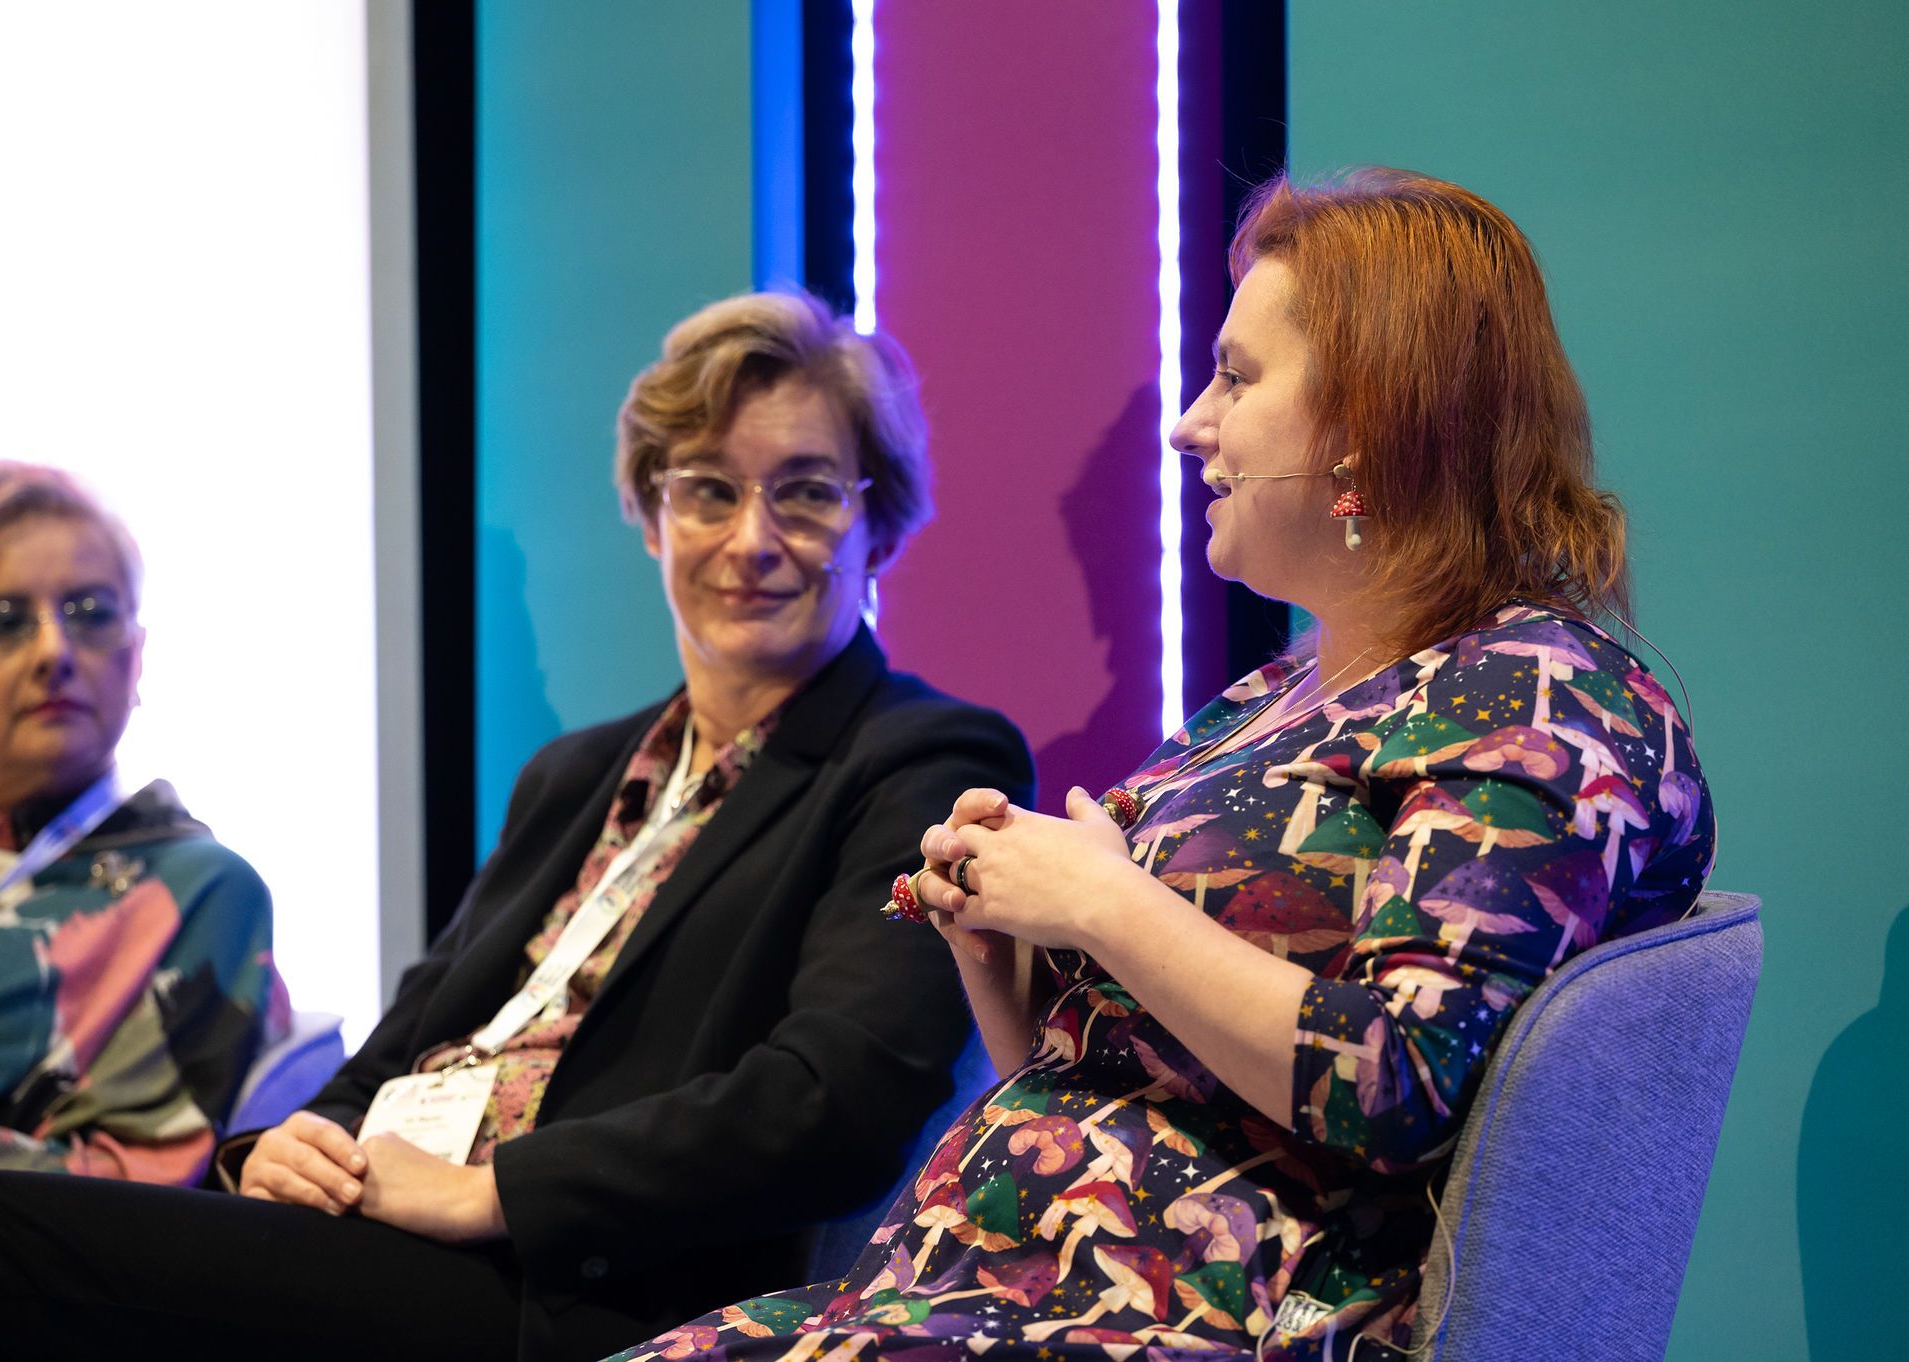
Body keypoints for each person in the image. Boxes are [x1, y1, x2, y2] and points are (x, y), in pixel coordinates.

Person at [603, 170, 1718, 1361]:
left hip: (1207, 1321)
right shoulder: (1270, 695)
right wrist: (1004, 947)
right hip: (992, 1295)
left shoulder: (1535, 695)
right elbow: (1093, 1069)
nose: (1192, 420)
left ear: (1368, 420)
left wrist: (1104, 900)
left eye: (1237, 378)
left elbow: (1399, 1083)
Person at [0, 291, 1035, 1361]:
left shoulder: (920, 755)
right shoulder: (574, 775)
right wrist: (277, 1147)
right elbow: (391, 1056)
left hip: (567, 1286)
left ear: (878, 529)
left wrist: (499, 1192)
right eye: (707, 490)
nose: (751, 538)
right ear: (648, 518)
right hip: (384, 1228)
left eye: (807, 491)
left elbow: (836, 1101)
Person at [0, 464, 281, 1219]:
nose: (54, 648)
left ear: (137, 656)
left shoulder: (197, 890)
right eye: (1, 619)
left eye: (91, 611)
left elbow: (127, 1183)